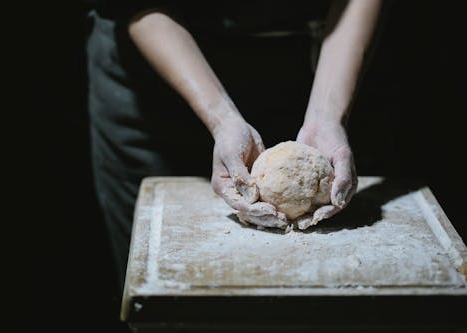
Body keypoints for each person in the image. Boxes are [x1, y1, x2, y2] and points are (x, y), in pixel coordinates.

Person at [86, 0, 383, 296]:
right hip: (158, 87)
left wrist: (327, 116)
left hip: (313, 64)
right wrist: (221, 118)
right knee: (166, 287)